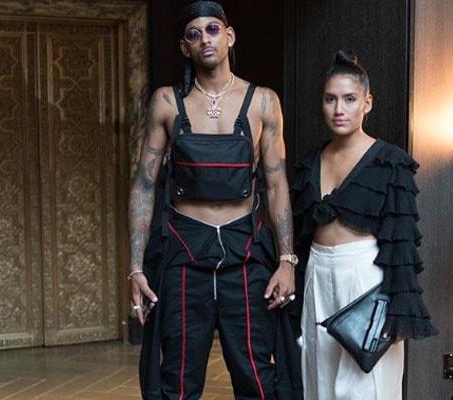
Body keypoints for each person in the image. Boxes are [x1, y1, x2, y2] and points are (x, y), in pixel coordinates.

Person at [127, 2, 301, 399]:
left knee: (257, 378)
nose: (204, 39)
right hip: (184, 254)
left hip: (246, 253)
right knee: (178, 381)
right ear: (184, 47)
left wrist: (286, 260)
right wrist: (135, 268)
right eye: (193, 34)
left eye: (212, 29)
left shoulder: (262, 101)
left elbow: (277, 185)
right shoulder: (167, 102)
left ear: (229, 36)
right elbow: (143, 186)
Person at [291, 49, 438, 400]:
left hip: (365, 277)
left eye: (349, 99)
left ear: (367, 103)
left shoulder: (390, 162)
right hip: (316, 277)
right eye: (330, 99)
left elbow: (402, 243)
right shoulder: (309, 162)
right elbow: (300, 238)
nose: (338, 109)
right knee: (319, 382)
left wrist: (400, 310)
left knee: (367, 388)